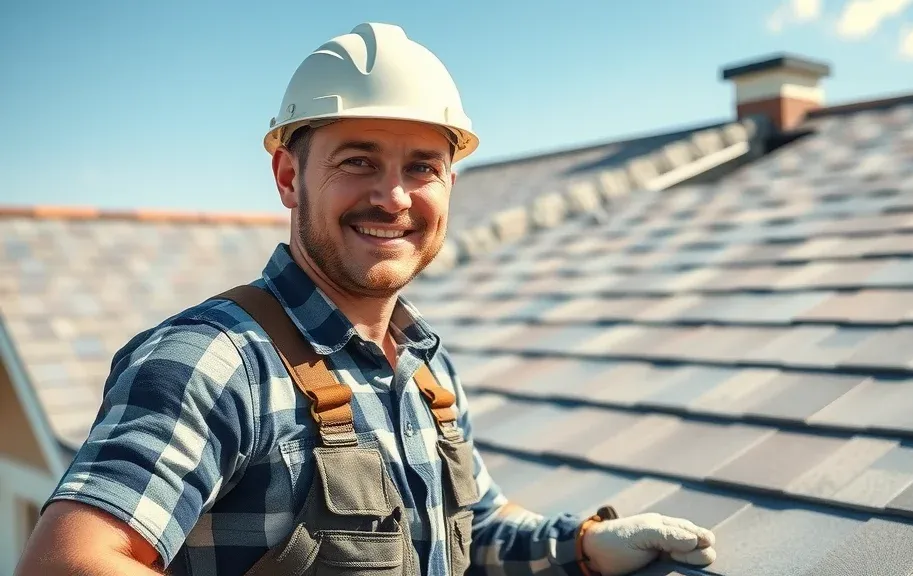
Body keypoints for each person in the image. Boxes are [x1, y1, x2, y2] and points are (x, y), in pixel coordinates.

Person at [16, 22, 717, 576]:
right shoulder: (211, 363)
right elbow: (68, 564)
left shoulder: (426, 371)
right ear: (289, 177)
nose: (394, 197)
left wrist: (587, 547)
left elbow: (473, 529)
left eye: (423, 168)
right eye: (358, 162)